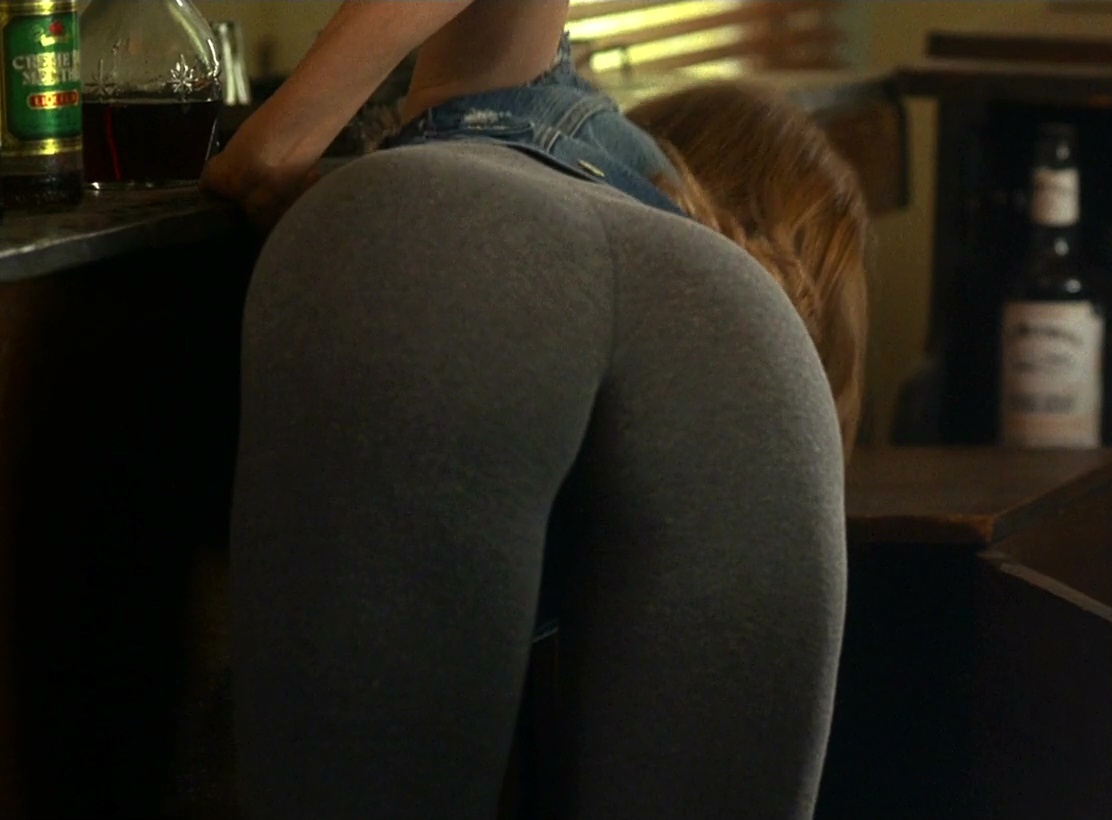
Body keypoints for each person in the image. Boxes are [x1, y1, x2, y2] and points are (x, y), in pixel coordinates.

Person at [210, 1, 869, 816]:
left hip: (451, 239)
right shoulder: (711, 277)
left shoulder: (499, 149)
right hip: (761, 359)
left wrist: (286, 131)